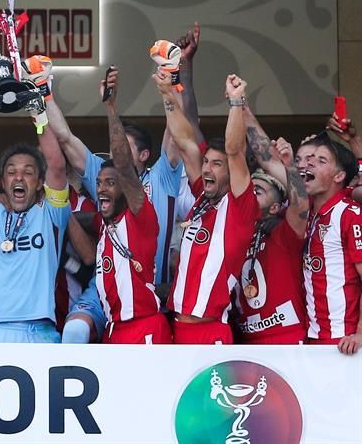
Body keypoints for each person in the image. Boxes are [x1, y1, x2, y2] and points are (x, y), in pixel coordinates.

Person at [45, 61, 184, 288]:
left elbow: (177, 132)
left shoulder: (162, 176)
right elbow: (65, 137)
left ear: (144, 154)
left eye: (124, 145)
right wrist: (44, 93)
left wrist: (172, 81)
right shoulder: (103, 174)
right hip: (112, 296)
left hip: (158, 293)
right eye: (114, 144)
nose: (116, 150)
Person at [64, 68, 170, 344]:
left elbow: (123, 165)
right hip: (114, 330)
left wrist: (111, 108)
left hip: (145, 328)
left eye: (110, 183)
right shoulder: (104, 224)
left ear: (126, 186)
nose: (100, 188)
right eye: (98, 183)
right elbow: (86, 218)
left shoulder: (141, 216)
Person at [157, 70, 259, 344]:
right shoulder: (202, 198)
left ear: (232, 173)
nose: (207, 169)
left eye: (217, 164)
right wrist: (168, 94)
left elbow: (235, 151)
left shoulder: (240, 208)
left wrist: (236, 103)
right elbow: (185, 143)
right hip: (177, 328)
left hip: (210, 331)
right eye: (206, 162)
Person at [0, 102, 71, 343]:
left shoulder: (51, 214)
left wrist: (39, 116)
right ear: (3, 179)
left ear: (40, 181)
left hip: (41, 329)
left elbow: (57, 165)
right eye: (11, 172)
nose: (19, 177)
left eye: (28, 172)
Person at [235, 105, 310, 344]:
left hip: (287, 338)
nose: (251, 195)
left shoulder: (284, 230)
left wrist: (289, 167)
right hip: (250, 340)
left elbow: (301, 206)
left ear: (276, 207)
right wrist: (240, 106)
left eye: (258, 191)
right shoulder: (236, 231)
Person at [300, 133, 362, 354]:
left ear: (339, 176)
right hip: (312, 338)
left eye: (321, 160)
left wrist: (360, 333)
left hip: (343, 342)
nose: (310, 162)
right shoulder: (308, 213)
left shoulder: (350, 213)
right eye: (310, 158)